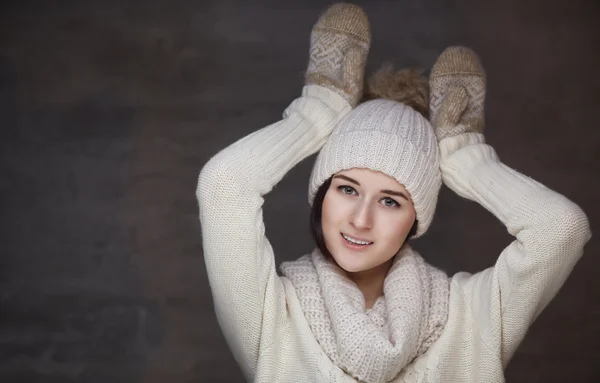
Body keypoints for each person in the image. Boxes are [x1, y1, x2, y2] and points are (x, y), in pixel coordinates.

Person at [196, 3, 591, 382]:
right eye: (347, 189)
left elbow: (561, 228)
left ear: (415, 218)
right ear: (322, 195)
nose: (360, 218)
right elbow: (224, 184)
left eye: (390, 201)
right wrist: (318, 113)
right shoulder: (272, 315)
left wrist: (465, 159)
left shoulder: (471, 318)